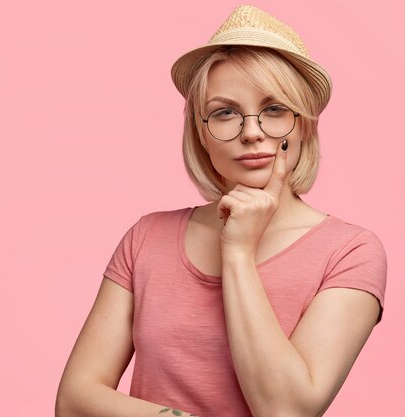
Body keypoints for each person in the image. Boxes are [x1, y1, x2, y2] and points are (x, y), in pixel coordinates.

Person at [55, 4, 387, 417]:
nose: (251, 132)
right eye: (225, 112)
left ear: (304, 125)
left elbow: (287, 410)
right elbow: (74, 400)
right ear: (202, 132)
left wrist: (238, 252)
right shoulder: (147, 237)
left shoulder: (350, 251)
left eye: (274, 109)